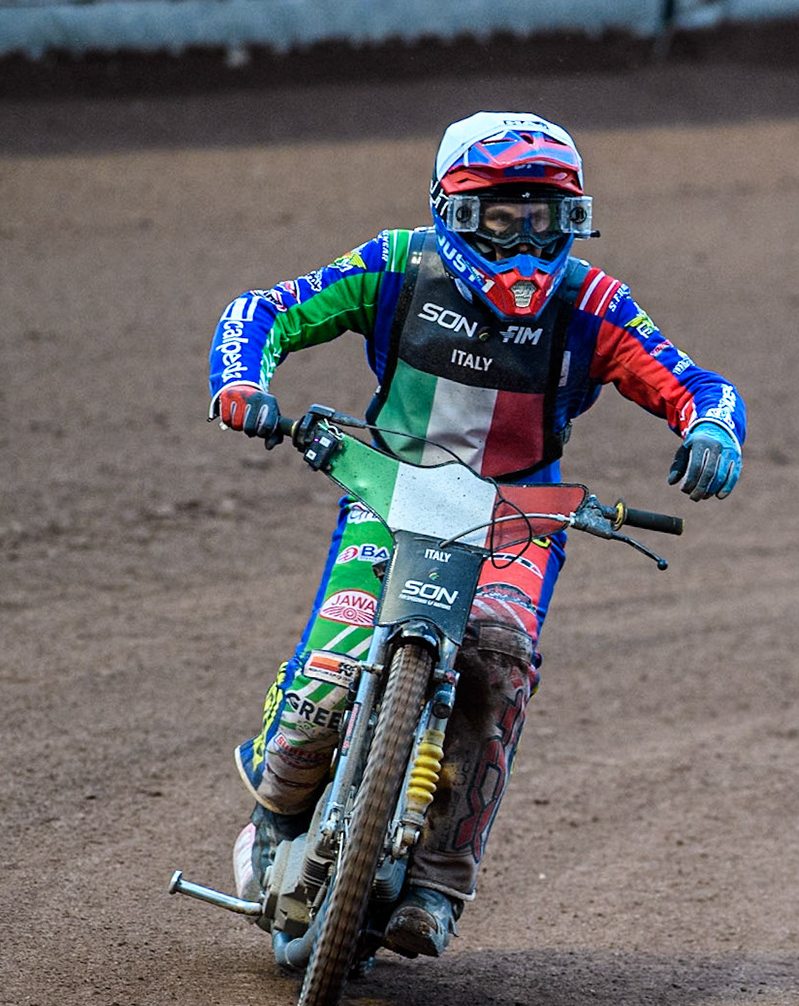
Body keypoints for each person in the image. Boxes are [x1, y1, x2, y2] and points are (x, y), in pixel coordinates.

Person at [206, 112, 746, 958]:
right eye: (503, 219)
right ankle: (272, 815)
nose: (527, 243)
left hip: (518, 517)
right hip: (389, 491)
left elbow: (694, 382)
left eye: (547, 220)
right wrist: (242, 380)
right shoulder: (395, 264)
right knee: (333, 669)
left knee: (496, 663)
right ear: (454, 212)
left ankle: (438, 881)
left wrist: (711, 429)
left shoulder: (593, 303)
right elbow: (265, 309)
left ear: (575, 218)